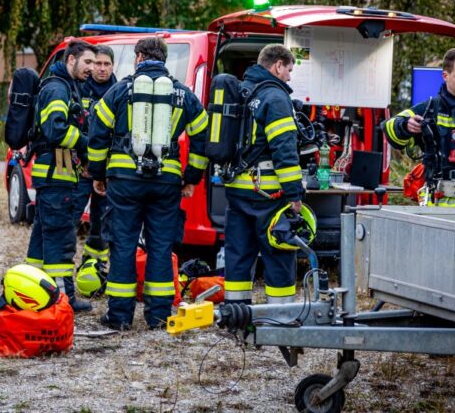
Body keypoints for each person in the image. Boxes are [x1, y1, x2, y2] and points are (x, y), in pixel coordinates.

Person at [88, 36, 209, 329]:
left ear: (139, 57)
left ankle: (119, 317)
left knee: (123, 244)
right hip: (166, 183)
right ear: (164, 59)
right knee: (160, 246)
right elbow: (202, 137)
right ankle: (158, 315)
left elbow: (98, 133)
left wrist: (98, 174)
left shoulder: (119, 91)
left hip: (124, 181)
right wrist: (192, 177)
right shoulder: (183, 94)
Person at [223, 44, 304, 305]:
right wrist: (294, 194)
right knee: (278, 251)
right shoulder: (275, 97)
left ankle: (236, 314)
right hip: (268, 193)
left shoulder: (240, 92)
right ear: (278, 65)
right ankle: (280, 317)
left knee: (238, 254)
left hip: (236, 189)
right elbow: (284, 150)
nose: (289, 77)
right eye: (289, 70)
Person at [25, 39, 97, 313]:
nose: (91, 68)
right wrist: (85, 142)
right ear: (71, 60)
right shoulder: (57, 88)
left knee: (43, 236)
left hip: (56, 175)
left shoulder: (66, 86)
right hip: (57, 175)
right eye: (87, 62)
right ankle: (62, 297)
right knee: (61, 236)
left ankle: (32, 289)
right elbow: (55, 131)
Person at [382, 48, 455, 207]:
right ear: (445, 76)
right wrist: (406, 125)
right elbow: (389, 128)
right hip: (437, 205)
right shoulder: (429, 109)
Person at [72, 45, 117, 264]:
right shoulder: (78, 89)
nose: (101, 68)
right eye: (97, 63)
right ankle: (61, 268)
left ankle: (92, 270)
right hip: (80, 169)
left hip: (106, 173)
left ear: (113, 66)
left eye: (106, 64)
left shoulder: (118, 92)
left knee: (101, 224)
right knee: (71, 220)